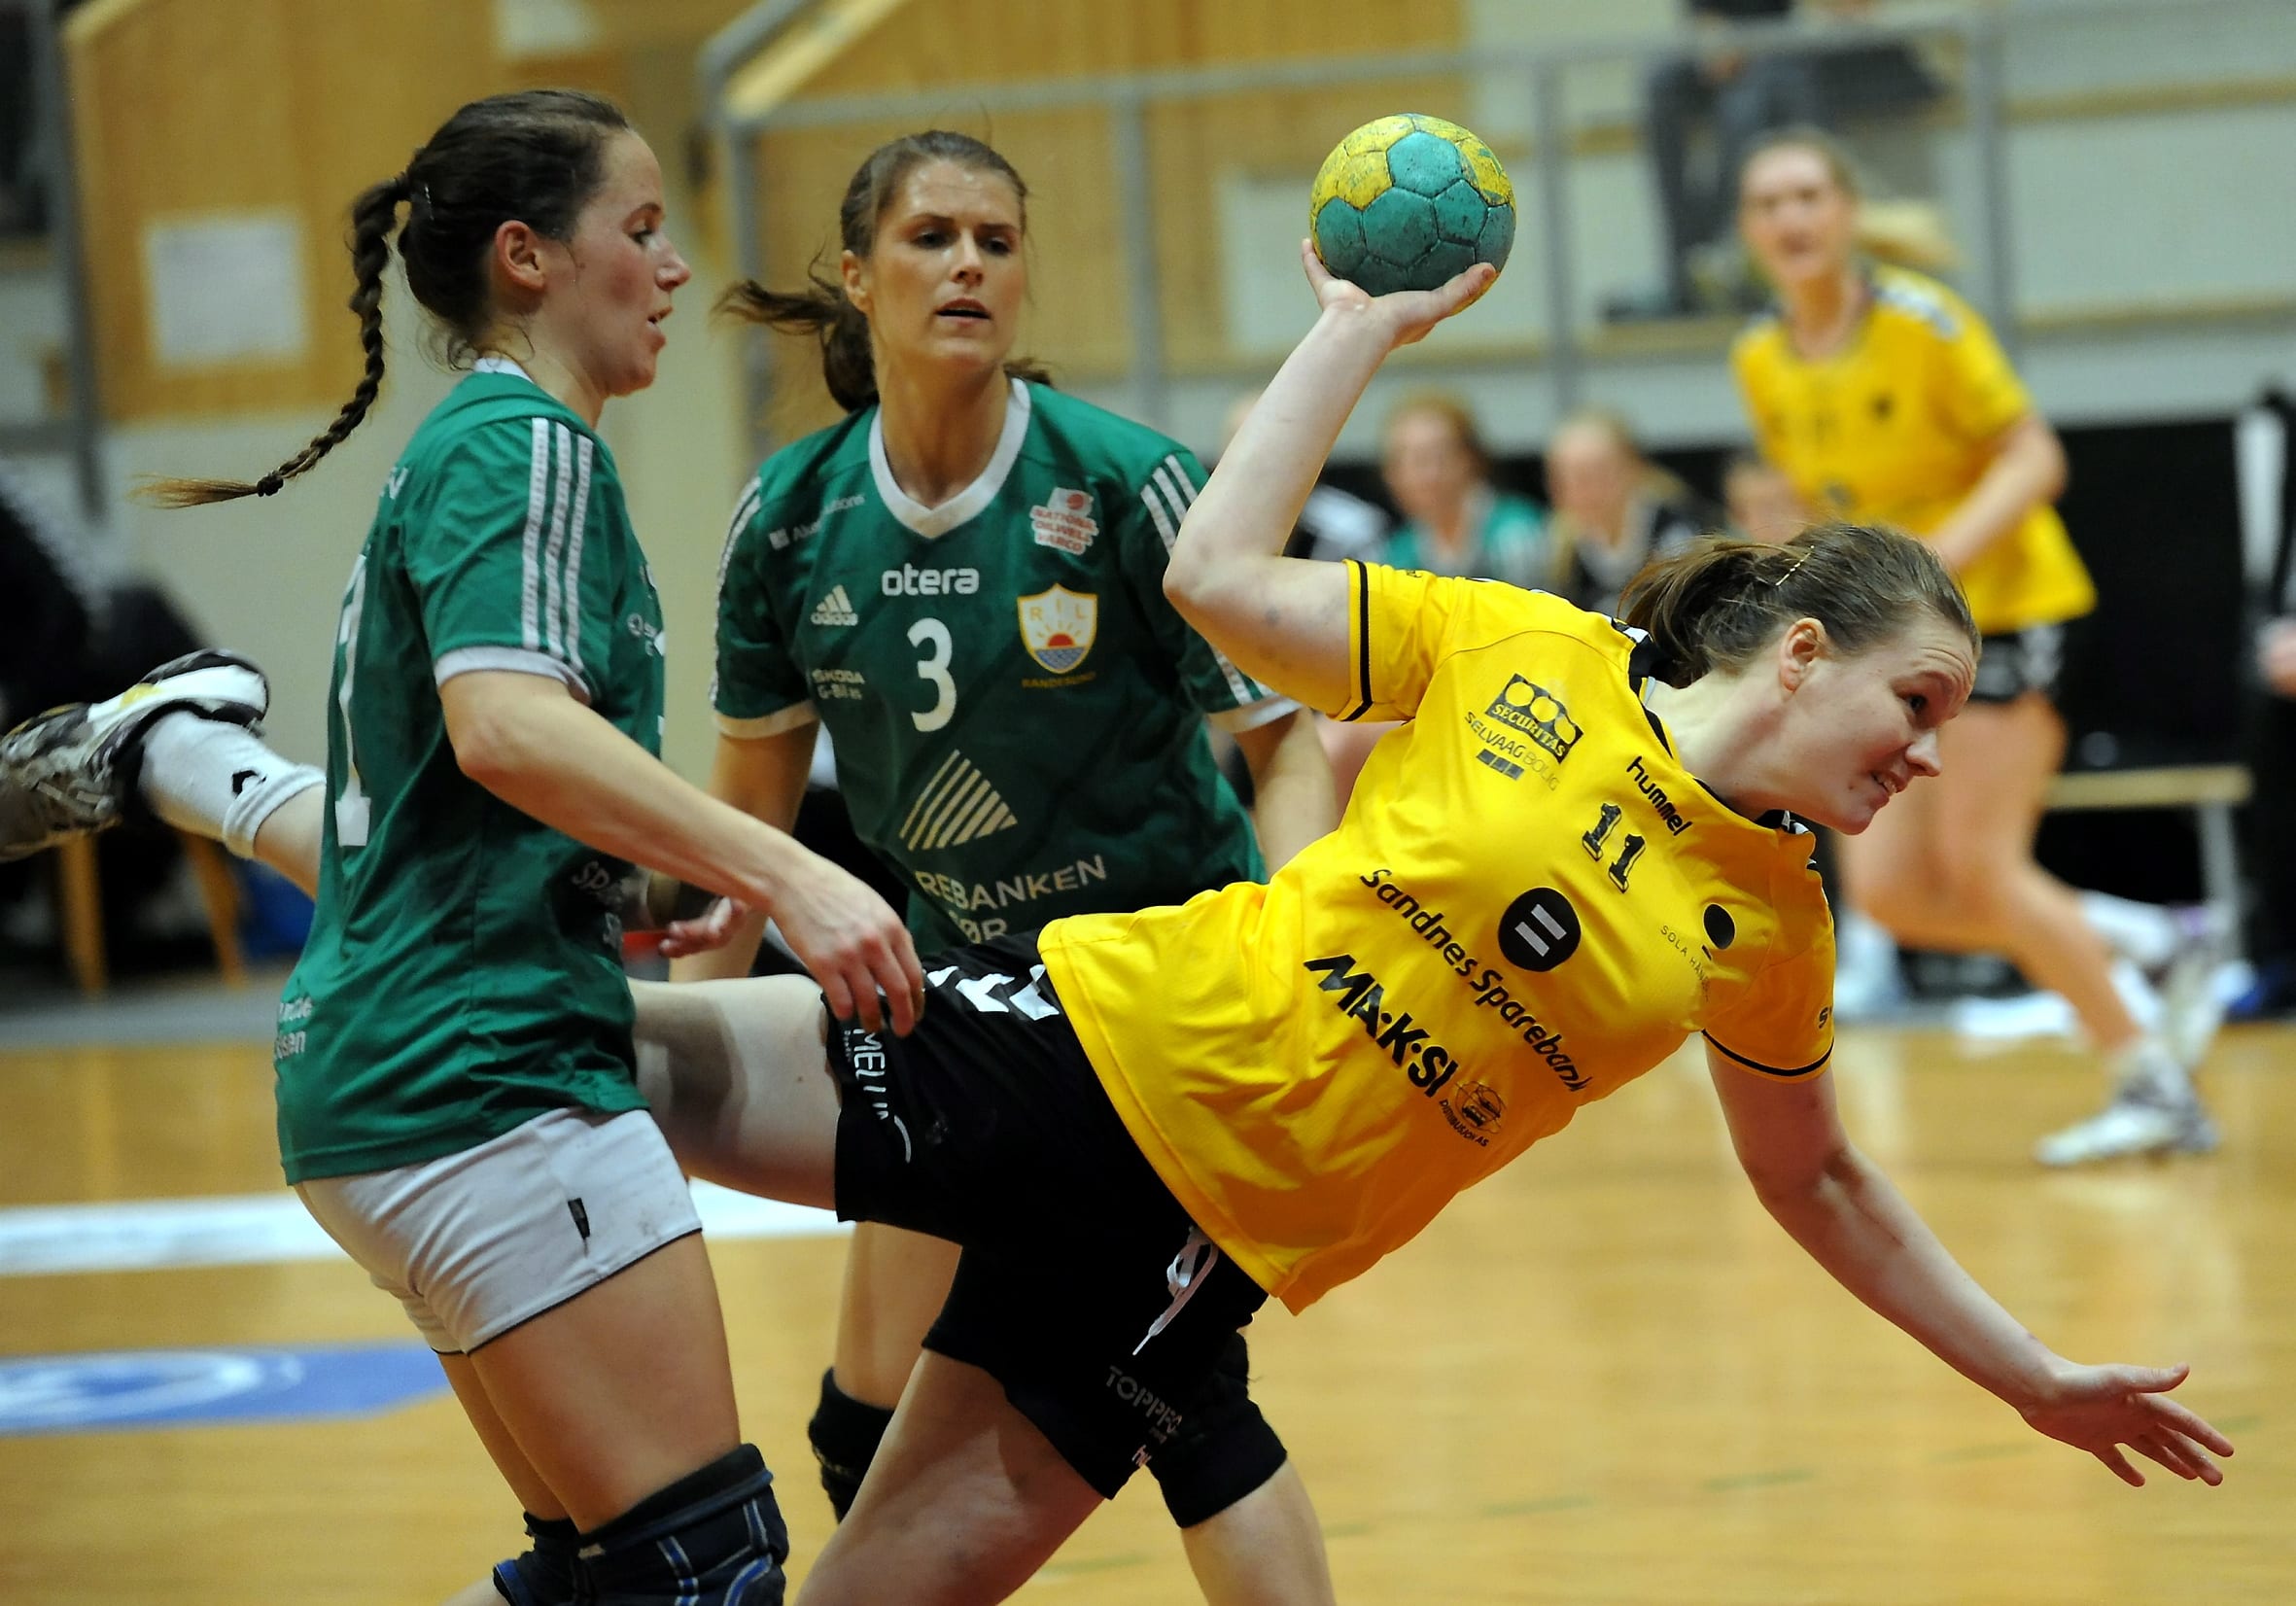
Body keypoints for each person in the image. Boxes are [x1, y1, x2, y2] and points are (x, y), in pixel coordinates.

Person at [3, 247, 2239, 1606]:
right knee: (564, 1005)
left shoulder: (1772, 919)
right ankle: (195, 761)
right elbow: (1216, 575)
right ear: (1803, 647)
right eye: (1915, 704)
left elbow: (1821, 1186)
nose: (1928, 753)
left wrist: (2028, 1373)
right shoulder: (1519, 648)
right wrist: (1349, 329)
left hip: (1181, 1257)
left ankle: (194, 765)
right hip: (1070, 1041)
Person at [7, 88, 927, 1606]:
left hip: (401, 1077)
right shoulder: (526, 446)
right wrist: (788, 870)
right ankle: (182, 753)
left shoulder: (481, 449)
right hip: (481, 1082)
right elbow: (505, 729)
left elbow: (438, 816)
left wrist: (624, 879)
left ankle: (180, 751)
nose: (674, 268)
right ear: (526, 257)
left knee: (607, 1579)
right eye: (641, 229)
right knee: (696, 1574)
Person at [684, 130, 1339, 1602]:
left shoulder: (1125, 484)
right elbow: (746, 819)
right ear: (857, 277)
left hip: (1155, 1005)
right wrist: (692, 1029)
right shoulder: (789, 517)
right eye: (930, 237)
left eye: (996, 239)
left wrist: (1300, 954)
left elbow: (1281, 740)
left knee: (1178, 1400)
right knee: (867, 1409)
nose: (968, 264)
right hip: (955, 1000)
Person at [1731, 126, 2224, 1165]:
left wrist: (1934, 567)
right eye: (1769, 203)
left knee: (1983, 866)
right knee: (1894, 896)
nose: (1791, 218)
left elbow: (2036, 457)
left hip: (2007, 612)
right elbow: (1829, 501)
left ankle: (2152, 1083)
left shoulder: (1923, 322)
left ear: (1846, 211)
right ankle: (2149, 937)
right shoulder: (1760, 358)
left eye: (1808, 195)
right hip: (1901, 634)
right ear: (1748, 230)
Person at [1320, 392, 1549, 802]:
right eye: (1408, 460)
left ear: (1469, 460)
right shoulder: (1397, 552)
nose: (1424, 473)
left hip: (1520, 696)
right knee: (1332, 740)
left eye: (1436, 456)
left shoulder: (1517, 534)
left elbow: (1540, 644)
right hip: (1433, 701)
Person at [1543, 407, 1714, 616]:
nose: (1582, 490)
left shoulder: (1676, 536)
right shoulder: (1563, 551)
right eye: (1566, 478)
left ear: (1633, 467)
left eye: (1596, 473)